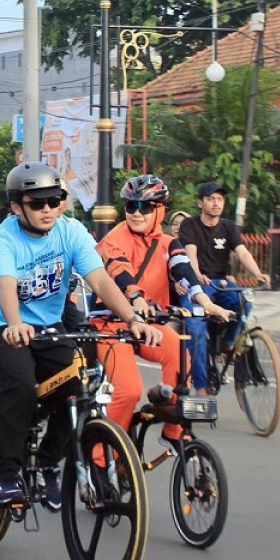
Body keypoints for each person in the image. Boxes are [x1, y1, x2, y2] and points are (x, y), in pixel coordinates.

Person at [0, 162, 161, 507]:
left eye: (54, 200)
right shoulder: (5, 238)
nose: (48, 209)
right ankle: (4, 474)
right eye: (36, 203)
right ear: (17, 207)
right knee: (21, 387)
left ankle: (47, 462)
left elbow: (101, 280)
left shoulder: (71, 230)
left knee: (76, 388)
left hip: (48, 326)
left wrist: (133, 319)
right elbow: (6, 284)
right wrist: (15, 323)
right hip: (1, 326)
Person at [91, 175, 233, 457]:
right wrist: (138, 300)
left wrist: (207, 303)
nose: (137, 213)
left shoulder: (168, 243)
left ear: (161, 210)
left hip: (149, 326)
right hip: (111, 325)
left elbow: (185, 271)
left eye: (146, 207)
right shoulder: (113, 239)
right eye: (131, 206)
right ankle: (103, 455)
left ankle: (172, 430)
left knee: (182, 356)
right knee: (129, 390)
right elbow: (120, 272)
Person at [178, 181, 271, 395]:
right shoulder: (190, 226)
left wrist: (258, 274)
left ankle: (227, 344)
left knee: (244, 302)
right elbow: (190, 254)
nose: (216, 203)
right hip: (197, 286)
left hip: (221, 285)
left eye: (219, 199)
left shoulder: (229, 227)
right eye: (210, 199)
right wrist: (196, 275)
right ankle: (201, 386)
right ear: (200, 203)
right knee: (197, 332)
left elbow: (243, 252)